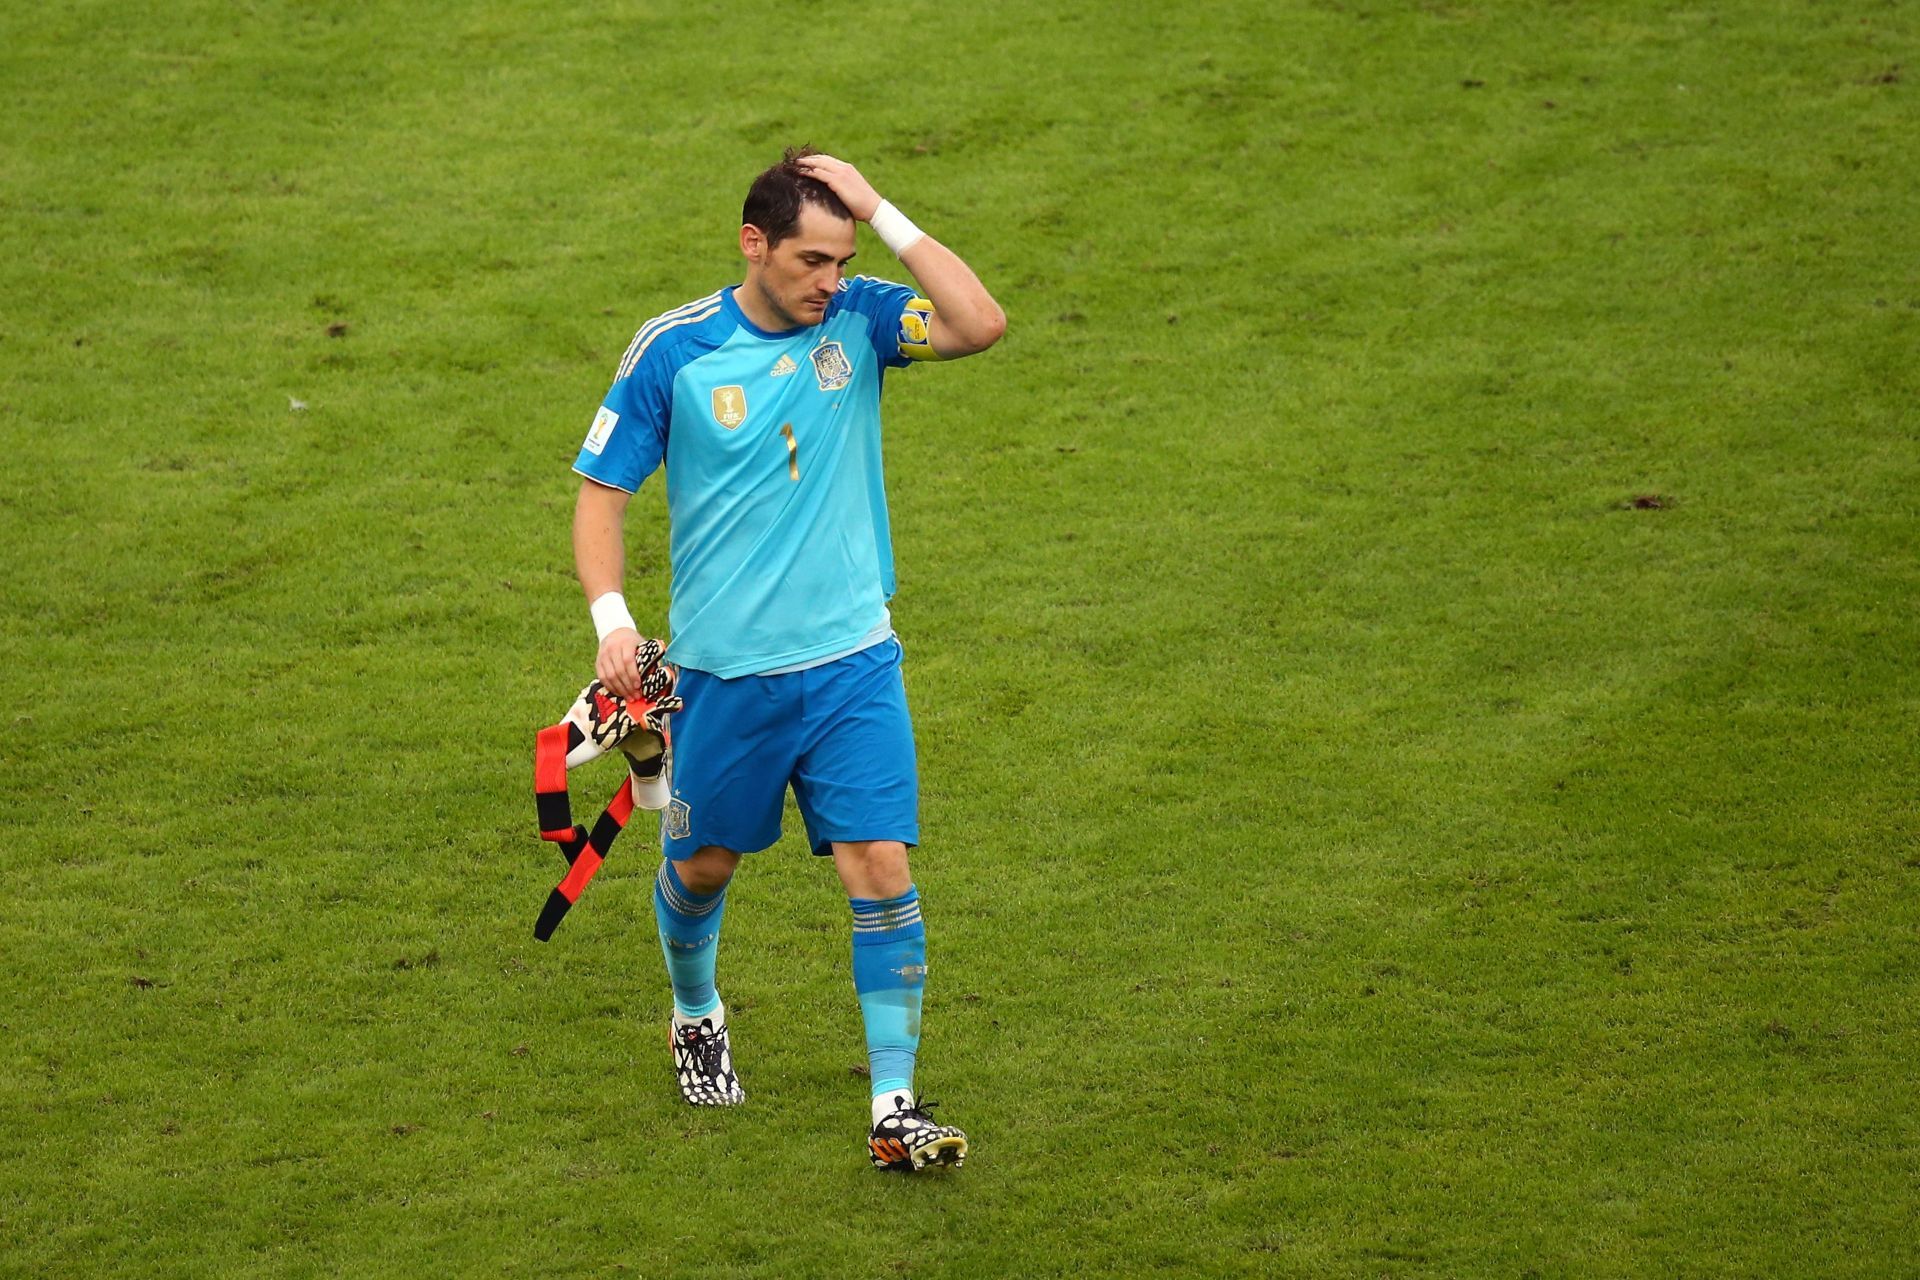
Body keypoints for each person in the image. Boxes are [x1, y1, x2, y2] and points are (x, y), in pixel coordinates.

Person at [568, 148, 1006, 1171]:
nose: (830, 280)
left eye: (843, 257)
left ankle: (894, 1105)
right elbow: (603, 492)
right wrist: (613, 619)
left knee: (881, 865)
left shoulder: (861, 317)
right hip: (728, 675)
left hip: (854, 662)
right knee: (704, 865)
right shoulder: (676, 350)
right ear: (753, 246)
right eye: (812, 259)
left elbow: (980, 323)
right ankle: (695, 1006)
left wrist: (880, 209)